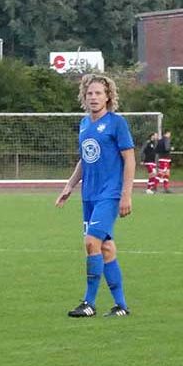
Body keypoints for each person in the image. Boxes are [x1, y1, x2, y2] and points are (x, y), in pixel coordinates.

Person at [55, 74, 135, 317]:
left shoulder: (116, 123)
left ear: (108, 96)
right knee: (106, 248)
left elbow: (129, 158)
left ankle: (89, 303)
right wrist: (70, 185)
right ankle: (121, 306)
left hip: (109, 194)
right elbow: (85, 158)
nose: (93, 97)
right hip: (88, 195)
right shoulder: (84, 124)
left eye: (98, 93)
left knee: (91, 243)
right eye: (90, 93)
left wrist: (126, 195)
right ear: (84, 96)